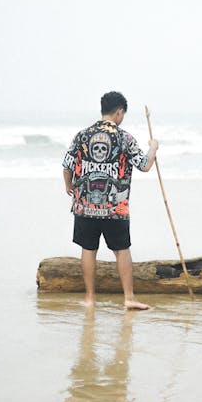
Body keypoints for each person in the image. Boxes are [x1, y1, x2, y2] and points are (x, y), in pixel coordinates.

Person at [62, 91, 158, 309]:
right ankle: (129, 298)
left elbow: (67, 165)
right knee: (121, 250)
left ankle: (89, 299)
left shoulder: (81, 136)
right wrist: (153, 147)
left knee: (88, 249)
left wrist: (68, 186)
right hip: (115, 208)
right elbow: (145, 165)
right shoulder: (125, 138)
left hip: (85, 206)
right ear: (119, 112)